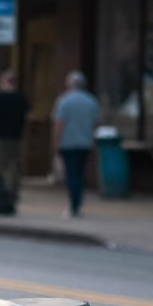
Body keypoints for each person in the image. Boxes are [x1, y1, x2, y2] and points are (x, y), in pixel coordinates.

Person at [52, 70, 101, 217]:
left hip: (68, 142)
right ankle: (78, 202)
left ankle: (73, 205)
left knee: (71, 174)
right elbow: (97, 123)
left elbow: (59, 124)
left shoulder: (64, 101)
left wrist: (56, 142)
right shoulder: (91, 101)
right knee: (80, 173)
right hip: (85, 142)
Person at [0, 70, 29, 202]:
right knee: (14, 164)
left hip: (1, 135)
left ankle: (1, 189)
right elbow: (27, 116)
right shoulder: (21, 98)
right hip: (16, 135)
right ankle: (13, 191)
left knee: (1, 164)